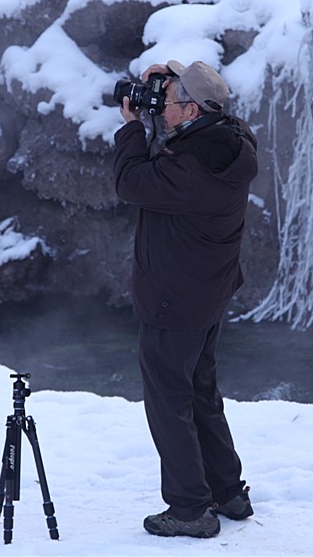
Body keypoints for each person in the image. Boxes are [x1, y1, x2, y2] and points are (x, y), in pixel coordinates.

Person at [113, 60, 258, 539]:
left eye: (170, 100)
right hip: (207, 291)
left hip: (174, 298)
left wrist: (133, 128)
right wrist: (166, 76)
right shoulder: (230, 138)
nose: (162, 106)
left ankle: (191, 509)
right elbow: (179, 143)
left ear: (192, 110)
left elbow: (131, 182)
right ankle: (227, 493)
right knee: (199, 392)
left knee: (168, 401)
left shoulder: (192, 166)